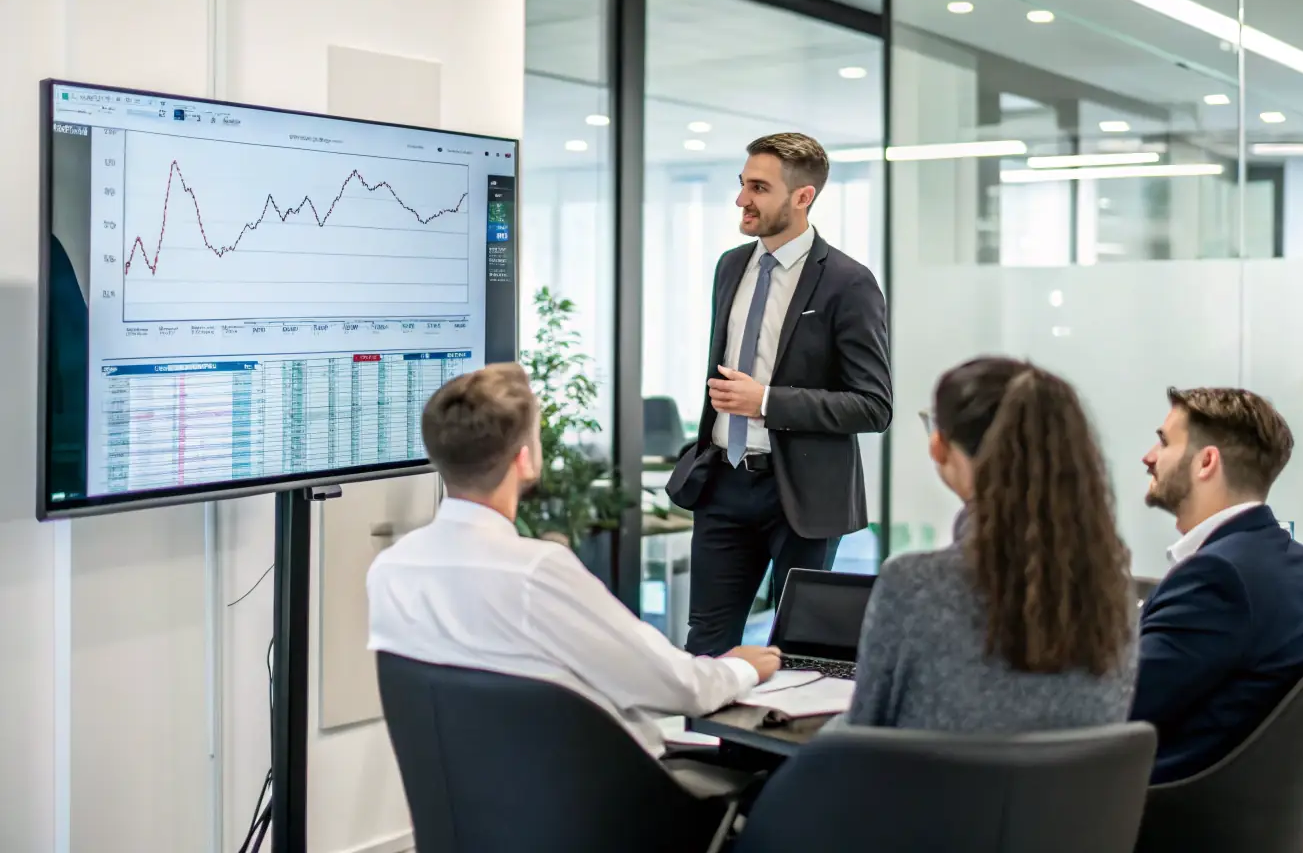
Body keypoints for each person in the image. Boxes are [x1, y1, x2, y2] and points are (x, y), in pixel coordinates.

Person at [367, 362, 781, 759]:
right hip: (600, 801)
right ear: (525, 459)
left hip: (488, 801)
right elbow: (678, 687)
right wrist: (740, 668)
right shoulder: (537, 572)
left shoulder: (390, 570)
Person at [667, 132, 892, 657]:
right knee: (706, 647)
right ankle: (710, 742)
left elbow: (874, 405)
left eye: (758, 188)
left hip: (803, 494)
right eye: (743, 184)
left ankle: (773, 742)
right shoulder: (730, 266)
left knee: (798, 650)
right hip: (723, 482)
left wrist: (766, 401)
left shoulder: (848, 283)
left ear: (802, 197)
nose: (742, 199)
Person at [845, 357, 1136, 732]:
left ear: (940, 446)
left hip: (929, 791)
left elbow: (863, 735)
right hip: (1077, 792)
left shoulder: (913, 584)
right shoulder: (1114, 591)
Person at [1133, 386, 1303, 783]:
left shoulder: (1218, 578)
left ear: (1206, 461)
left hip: (1148, 814)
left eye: (1163, 442)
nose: (1148, 457)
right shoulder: (1299, 565)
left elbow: (1113, 705)